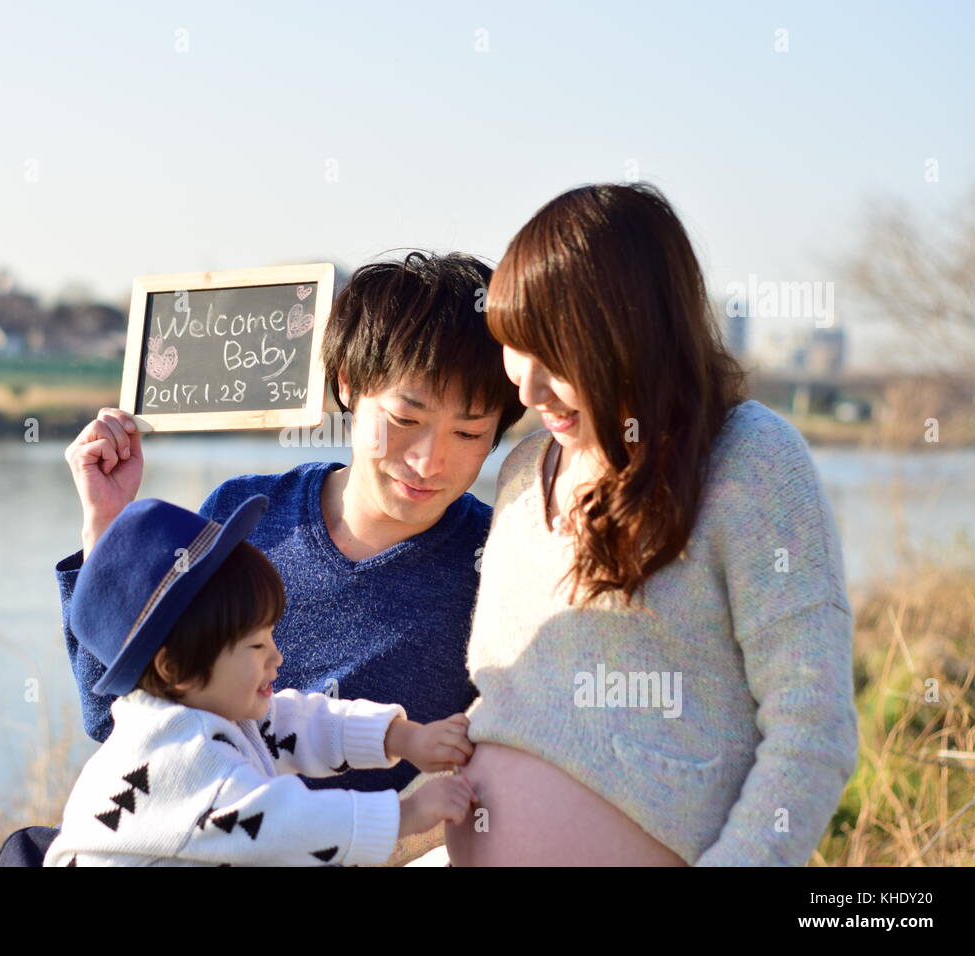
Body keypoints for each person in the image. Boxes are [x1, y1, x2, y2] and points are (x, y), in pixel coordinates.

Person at [443, 182, 859, 866]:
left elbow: (812, 729)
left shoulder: (751, 459)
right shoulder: (524, 468)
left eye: (555, 355)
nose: (527, 389)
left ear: (628, 336)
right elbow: (503, 708)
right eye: (516, 349)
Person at [58, 251, 525, 829]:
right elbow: (115, 720)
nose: (430, 460)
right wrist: (106, 529)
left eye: (469, 431)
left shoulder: (500, 563)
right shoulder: (246, 515)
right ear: (350, 385)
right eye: (405, 420)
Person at [43, 493, 476, 866]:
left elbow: (295, 723)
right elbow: (282, 824)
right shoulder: (176, 757)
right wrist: (407, 813)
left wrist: (403, 739)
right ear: (173, 667)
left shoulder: (204, 711)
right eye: (255, 646)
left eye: (271, 634)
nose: (277, 656)